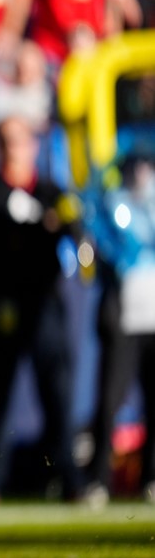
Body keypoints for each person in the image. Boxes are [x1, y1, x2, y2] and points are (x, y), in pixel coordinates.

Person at [0, 116, 86, 504]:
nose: (14, 150)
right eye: (6, 142)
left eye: (20, 141)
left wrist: (48, 220)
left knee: (57, 394)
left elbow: (73, 229)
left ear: (34, 146)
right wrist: (40, 221)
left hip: (43, 306)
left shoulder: (53, 191)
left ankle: (70, 481)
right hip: (2, 306)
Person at [85, 149, 155, 503]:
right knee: (110, 397)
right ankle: (98, 478)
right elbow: (108, 247)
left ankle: (151, 476)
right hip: (125, 313)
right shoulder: (113, 205)